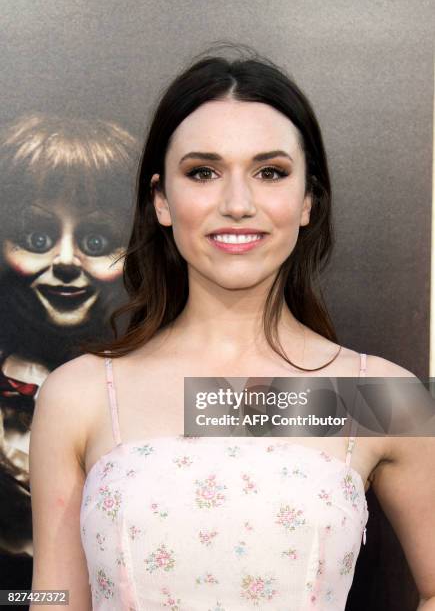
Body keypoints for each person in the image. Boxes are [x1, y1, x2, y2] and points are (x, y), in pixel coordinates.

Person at [29, 47, 435, 610]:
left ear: (308, 201)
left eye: (270, 172)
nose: (238, 203)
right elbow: (52, 599)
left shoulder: (380, 397)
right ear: (162, 201)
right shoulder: (80, 393)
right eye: (203, 173)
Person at [0, 113, 137, 587]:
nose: (63, 261)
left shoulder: (164, 380)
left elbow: (359, 407)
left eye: (95, 240)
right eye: (37, 238)